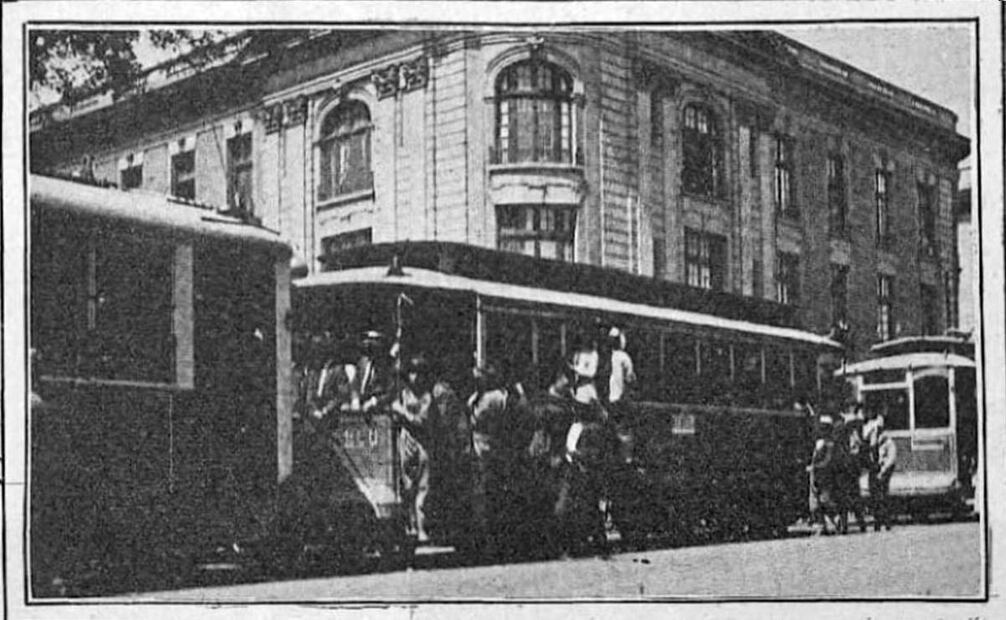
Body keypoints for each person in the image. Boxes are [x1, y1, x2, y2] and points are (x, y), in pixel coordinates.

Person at [391, 355, 435, 543]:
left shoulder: (427, 397)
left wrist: (402, 412)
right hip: (406, 441)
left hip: (422, 443)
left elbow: (421, 421)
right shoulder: (404, 393)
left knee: (423, 487)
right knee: (407, 486)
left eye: (419, 373)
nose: (415, 377)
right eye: (412, 373)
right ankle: (410, 527)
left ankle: (422, 528)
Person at [807, 414, 840, 534]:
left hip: (825, 474)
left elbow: (828, 459)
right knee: (815, 502)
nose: (822, 429)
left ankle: (836, 519)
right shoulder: (819, 442)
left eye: (825, 427)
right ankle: (821, 525)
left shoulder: (829, 443)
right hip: (815, 474)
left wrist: (816, 466)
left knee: (825, 499)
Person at [870, 421, 898, 531]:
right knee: (876, 498)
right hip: (877, 470)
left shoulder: (888, 443)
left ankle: (886, 522)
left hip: (884, 471)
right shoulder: (876, 441)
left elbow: (891, 459)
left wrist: (882, 471)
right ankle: (878, 522)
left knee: (882, 497)